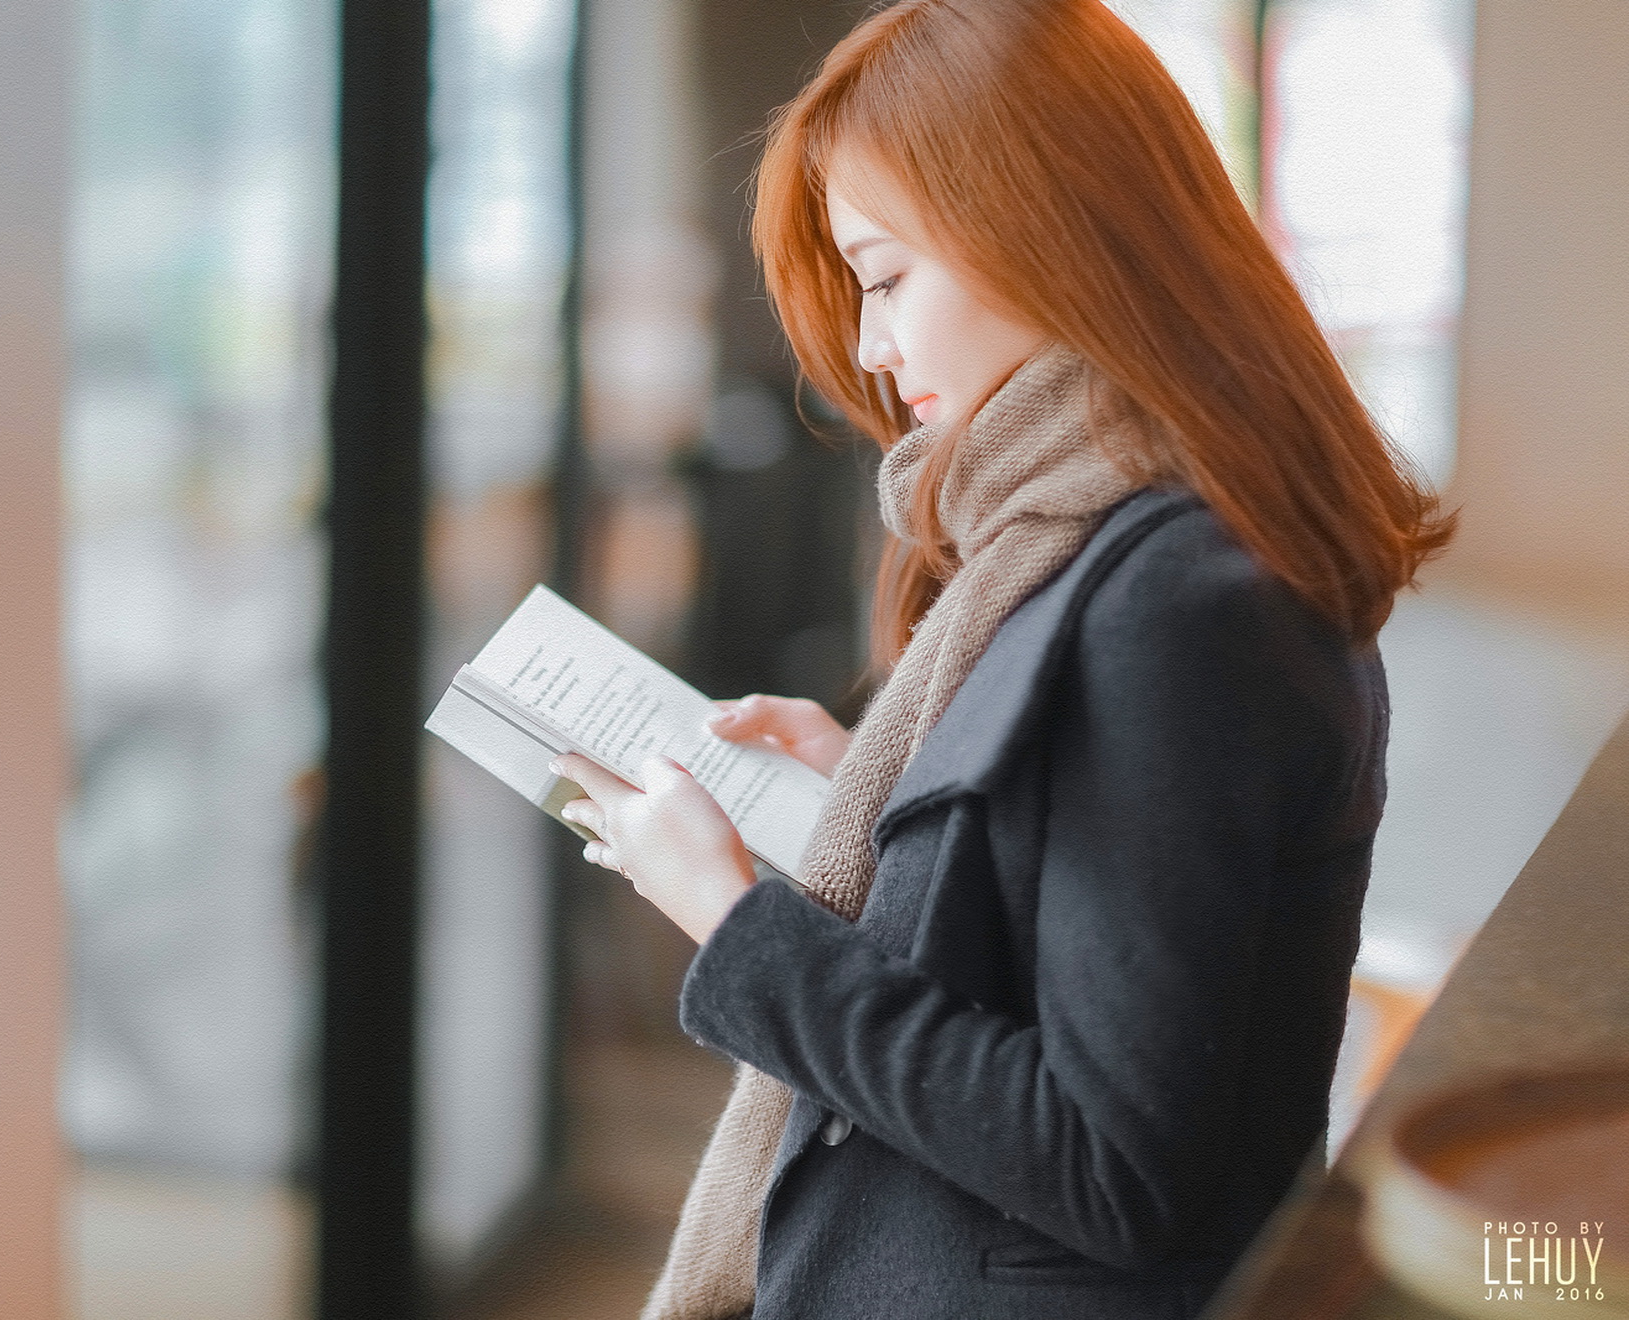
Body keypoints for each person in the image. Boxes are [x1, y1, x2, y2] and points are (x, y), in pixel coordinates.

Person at [552, 1, 1452, 1317]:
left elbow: (1106, 1165)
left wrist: (735, 922)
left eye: (884, 277)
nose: (869, 347)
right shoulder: (1110, 544)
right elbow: (1071, 917)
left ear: (1034, 234)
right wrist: (877, 784)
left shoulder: (1178, 599)